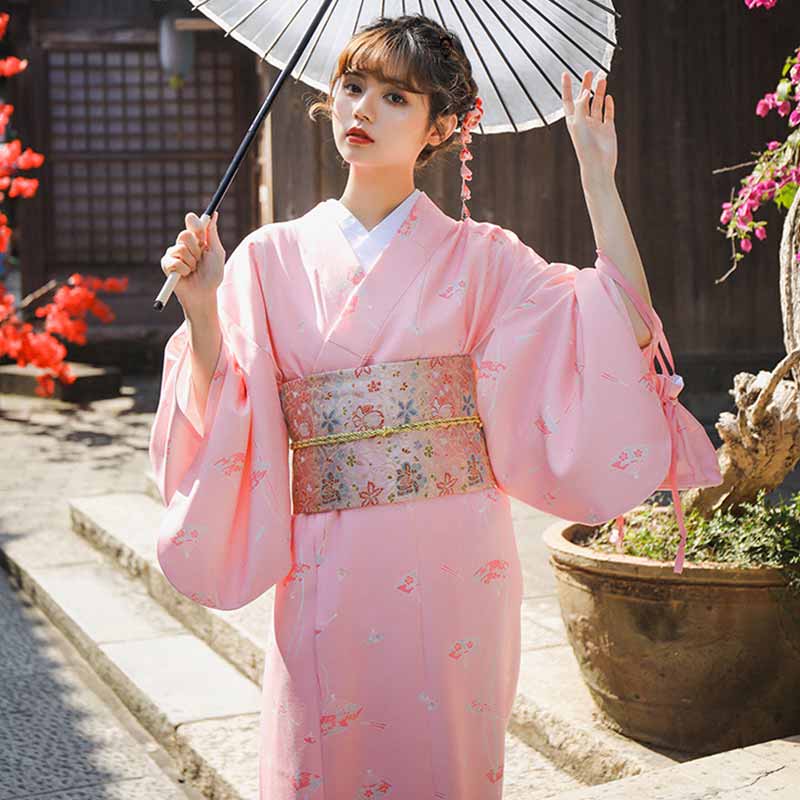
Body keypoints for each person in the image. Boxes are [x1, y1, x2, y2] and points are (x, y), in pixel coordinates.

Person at [149, 14, 721, 800]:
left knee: (445, 762)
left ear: (441, 127)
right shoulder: (268, 258)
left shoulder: (482, 258)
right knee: (321, 755)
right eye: (352, 87)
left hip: (458, 557)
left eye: (393, 97)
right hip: (328, 556)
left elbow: (619, 320)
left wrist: (597, 175)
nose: (361, 110)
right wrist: (203, 309)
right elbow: (231, 405)